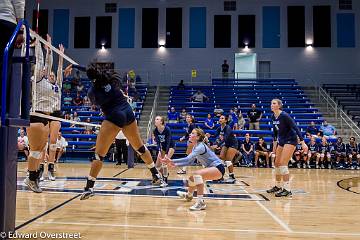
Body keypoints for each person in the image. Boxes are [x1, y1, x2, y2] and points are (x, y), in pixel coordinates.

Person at [66, 63, 167, 200]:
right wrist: (76, 66)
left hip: (114, 116)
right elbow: (92, 70)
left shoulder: (92, 91)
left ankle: (89, 187)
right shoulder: (109, 78)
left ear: (90, 78)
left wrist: (74, 67)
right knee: (140, 148)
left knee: (99, 156)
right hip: (128, 112)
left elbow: (95, 104)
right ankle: (156, 175)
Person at [162, 128, 225, 211]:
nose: (190, 134)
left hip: (218, 168)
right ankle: (189, 195)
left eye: (192, 133)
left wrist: (172, 161)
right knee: (191, 178)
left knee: (197, 174)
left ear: (198, 137)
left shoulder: (200, 146)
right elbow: (190, 161)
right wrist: (175, 164)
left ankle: (200, 203)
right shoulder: (195, 146)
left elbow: (187, 159)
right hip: (212, 168)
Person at [266, 99, 307, 197]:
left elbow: (295, 128)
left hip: (291, 140)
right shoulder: (273, 116)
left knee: (283, 164)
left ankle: (287, 189)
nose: (272, 105)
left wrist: (303, 142)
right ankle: (277, 186)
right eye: (271, 103)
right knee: (276, 163)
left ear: (279, 105)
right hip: (282, 140)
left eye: (274, 103)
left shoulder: (284, 115)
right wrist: (274, 150)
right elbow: (275, 134)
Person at [0, 0, 25, 109]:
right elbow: (19, 2)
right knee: (4, 65)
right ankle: (2, 106)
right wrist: (20, 30)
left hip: (6, 20)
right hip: (6, 21)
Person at [210, 115, 237, 180]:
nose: (220, 119)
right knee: (221, 158)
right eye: (220, 118)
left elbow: (225, 138)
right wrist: (209, 135)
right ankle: (220, 175)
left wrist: (217, 145)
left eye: (222, 118)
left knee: (228, 161)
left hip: (233, 144)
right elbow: (215, 135)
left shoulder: (228, 128)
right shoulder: (219, 128)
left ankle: (231, 175)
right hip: (227, 144)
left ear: (225, 120)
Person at [153, 116, 175, 182]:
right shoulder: (155, 130)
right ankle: (165, 174)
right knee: (157, 166)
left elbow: (168, 142)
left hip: (170, 147)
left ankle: (165, 179)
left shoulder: (167, 129)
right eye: (155, 119)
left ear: (161, 121)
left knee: (164, 163)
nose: (155, 120)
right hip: (163, 147)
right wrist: (160, 150)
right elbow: (158, 142)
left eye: (157, 119)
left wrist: (165, 154)